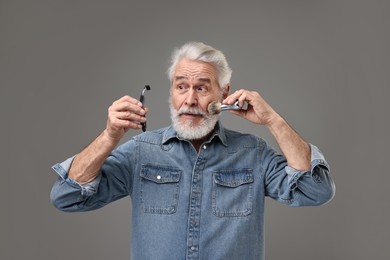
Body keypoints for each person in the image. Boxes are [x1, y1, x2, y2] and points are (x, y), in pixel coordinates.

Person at [50, 41, 335, 260]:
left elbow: (315, 190)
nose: (190, 100)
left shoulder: (253, 153)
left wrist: (273, 120)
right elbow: (67, 196)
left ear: (224, 94)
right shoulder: (141, 152)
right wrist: (109, 137)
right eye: (181, 86)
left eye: (202, 88)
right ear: (171, 92)